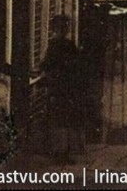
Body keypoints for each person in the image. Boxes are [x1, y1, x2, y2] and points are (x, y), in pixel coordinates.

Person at [41, 15, 85, 162]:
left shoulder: (55, 45)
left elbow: (46, 65)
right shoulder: (68, 45)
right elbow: (77, 65)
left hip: (59, 87)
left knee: (59, 119)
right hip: (67, 87)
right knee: (64, 119)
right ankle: (63, 152)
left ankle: (60, 152)